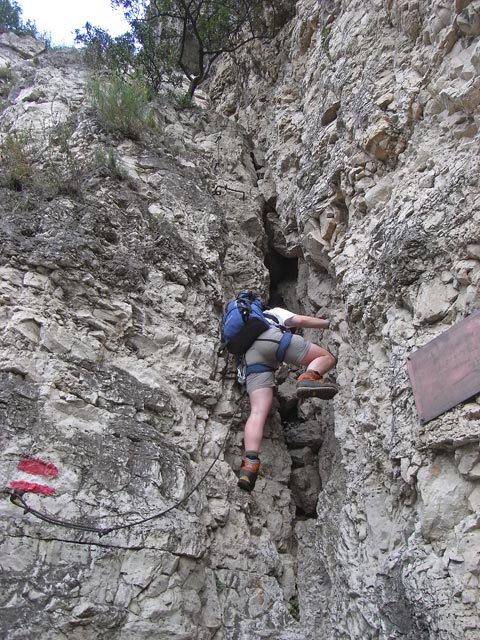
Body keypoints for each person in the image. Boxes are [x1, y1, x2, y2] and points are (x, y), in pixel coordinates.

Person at [238, 304, 337, 492]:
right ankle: (309, 378)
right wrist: (328, 323)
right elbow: (299, 320)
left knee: (258, 411)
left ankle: (249, 465)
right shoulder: (273, 313)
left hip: (250, 358)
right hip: (272, 340)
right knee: (326, 357)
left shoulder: (243, 330)